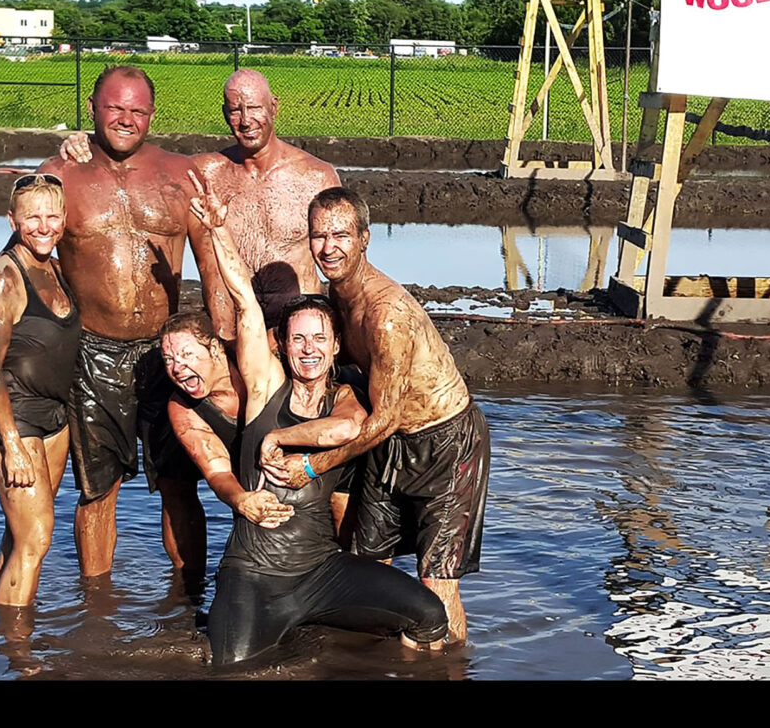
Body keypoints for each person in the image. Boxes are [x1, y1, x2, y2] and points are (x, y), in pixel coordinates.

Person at [60, 68, 358, 538]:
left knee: (324, 483)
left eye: (254, 106)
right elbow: (129, 159)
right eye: (235, 109)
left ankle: (341, 580)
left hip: (295, 358)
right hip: (223, 354)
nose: (245, 118)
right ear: (224, 114)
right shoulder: (203, 174)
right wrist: (80, 143)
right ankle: (184, 598)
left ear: (274, 107)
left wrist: (352, 340)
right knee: (198, 476)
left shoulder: (315, 176)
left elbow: (343, 261)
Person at [0, 66, 211, 582]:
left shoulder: (180, 174)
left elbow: (212, 265)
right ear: (93, 108)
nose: (125, 119)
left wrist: (222, 343)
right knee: (99, 489)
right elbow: (27, 239)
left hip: (167, 354)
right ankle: (96, 615)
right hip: (94, 353)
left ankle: (189, 601)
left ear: (152, 114)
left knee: (179, 483)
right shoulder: (62, 173)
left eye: (137, 110)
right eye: (114, 108)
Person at [188, 174, 448, 666]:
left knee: (430, 614)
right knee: (231, 671)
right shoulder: (265, 386)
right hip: (254, 574)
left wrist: (281, 440)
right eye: (298, 340)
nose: (308, 349)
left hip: (320, 573)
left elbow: (349, 430)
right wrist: (219, 231)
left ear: (334, 348)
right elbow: (244, 300)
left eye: (319, 340)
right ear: (283, 347)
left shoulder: (345, 394)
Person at [262, 186, 491, 648]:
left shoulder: (386, 314)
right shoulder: (338, 293)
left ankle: (449, 667)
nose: (328, 248)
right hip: (390, 445)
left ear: (364, 238)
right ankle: (372, 662)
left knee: (437, 579)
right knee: (366, 565)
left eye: (341, 235)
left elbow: (383, 419)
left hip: (445, 442)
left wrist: (310, 465)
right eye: (318, 236)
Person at [0, 173, 81, 607]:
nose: (43, 226)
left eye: (52, 216)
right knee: (36, 537)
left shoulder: (51, 263)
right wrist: (11, 444)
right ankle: (18, 655)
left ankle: (7, 624)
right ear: (11, 220)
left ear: (64, 219)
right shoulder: (3, 279)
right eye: (32, 217)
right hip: (13, 413)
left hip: (52, 410)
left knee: (23, 531)